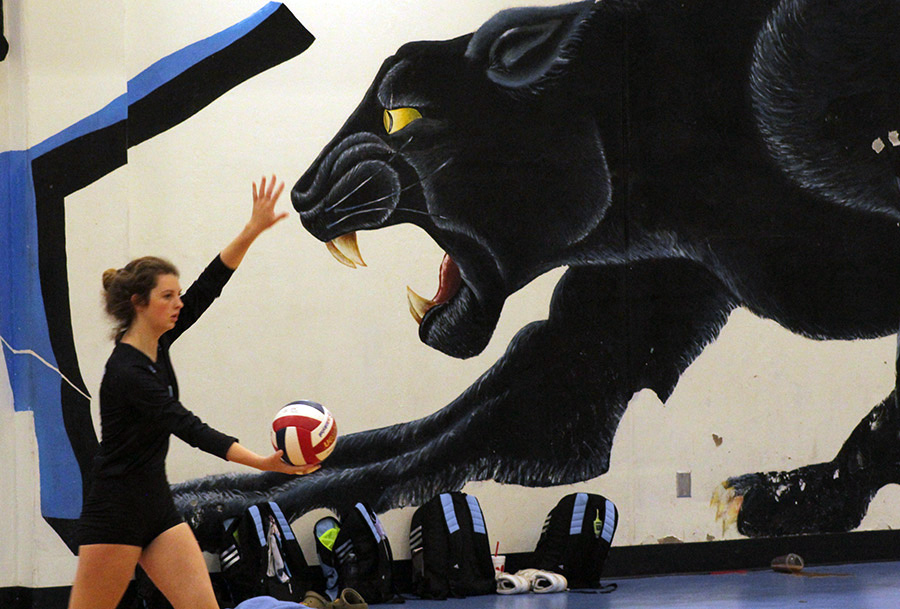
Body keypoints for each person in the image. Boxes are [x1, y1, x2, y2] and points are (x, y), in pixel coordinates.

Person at [68, 176, 314, 609]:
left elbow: (208, 287)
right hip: (116, 512)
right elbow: (188, 427)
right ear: (138, 303)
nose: (179, 302)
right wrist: (261, 462)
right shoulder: (126, 372)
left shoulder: (157, 343)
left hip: (156, 509)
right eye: (168, 296)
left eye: (177, 294)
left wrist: (252, 231)